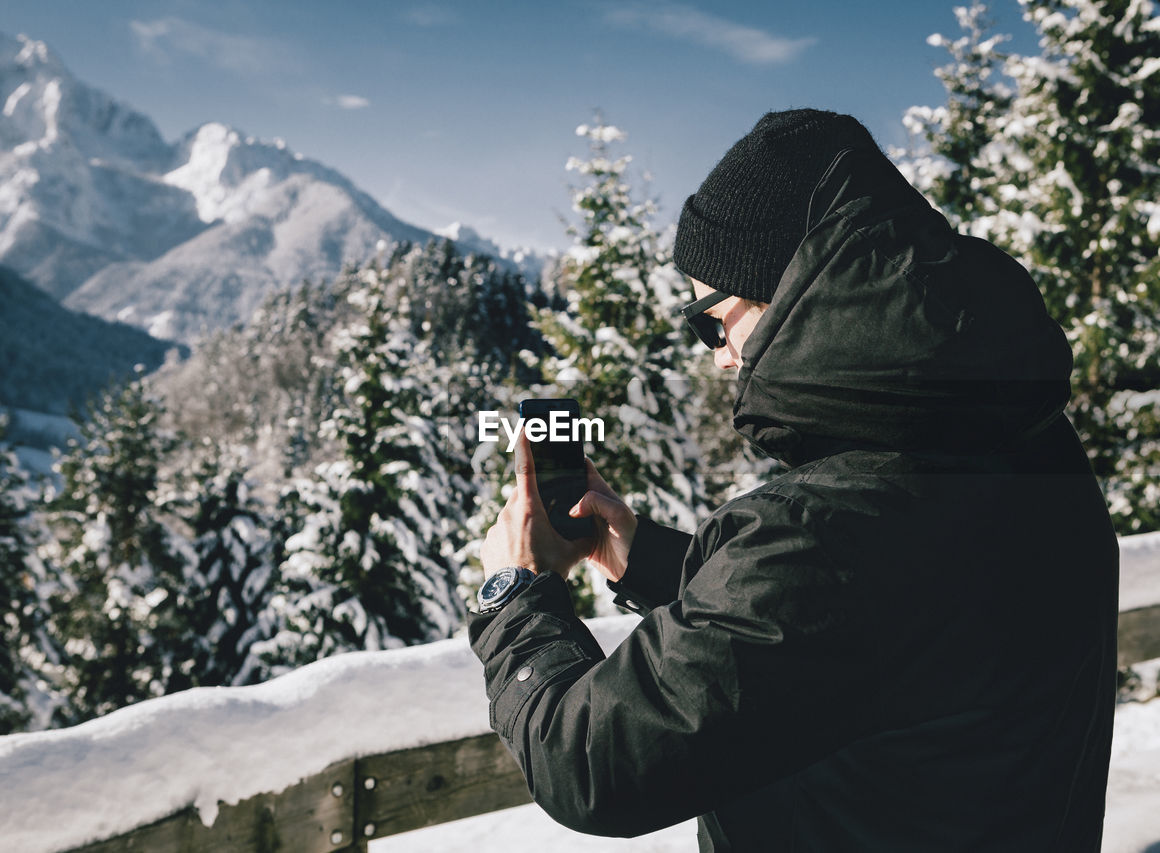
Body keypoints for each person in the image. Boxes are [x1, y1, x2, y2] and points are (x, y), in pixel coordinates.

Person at [471, 109, 1119, 851]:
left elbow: (590, 762)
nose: (716, 354)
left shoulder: (826, 529)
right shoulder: (1018, 434)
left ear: (795, 288)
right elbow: (860, 618)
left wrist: (512, 597)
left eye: (711, 319)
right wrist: (640, 554)